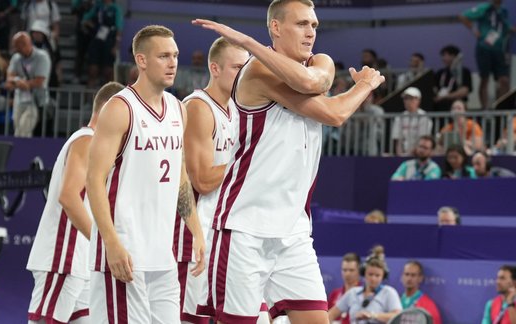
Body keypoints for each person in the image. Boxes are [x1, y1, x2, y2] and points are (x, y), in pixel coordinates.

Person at [192, 0, 385, 321]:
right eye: (301, 24)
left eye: (314, 25)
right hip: (243, 228)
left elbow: (317, 82)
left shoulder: (320, 61)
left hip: (293, 231)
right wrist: (365, 84)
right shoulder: (256, 70)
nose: (311, 32)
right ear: (276, 28)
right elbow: (333, 111)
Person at [86, 25, 206, 323]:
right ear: (141, 60)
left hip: (161, 255)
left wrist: (198, 231)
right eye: (163, 56)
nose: (173, 62)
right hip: (125, 251)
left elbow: (179, 177)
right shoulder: (120, 108)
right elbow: (93, 181)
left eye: (175, 55)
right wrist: (111, 242)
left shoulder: (179, 109)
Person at [26, 81, 124, 324]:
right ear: (109, 110)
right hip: (64, 256)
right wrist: (103, 243)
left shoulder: (95, 144)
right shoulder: (87, 140)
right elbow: (69, 197)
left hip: (78, 261)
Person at [174, 37, 250, 324]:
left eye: (245, 68)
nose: (242, 74)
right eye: (235, 68)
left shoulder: (238, 108)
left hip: (222, 227)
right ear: (214, 68)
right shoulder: (198, 107)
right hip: (191, 233)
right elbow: (203, 180)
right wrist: (248, 163)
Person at [459, 0, 515, 110]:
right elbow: (463, 16)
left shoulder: (504, 11)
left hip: (500, 50)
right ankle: (484, 108)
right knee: (485, 78)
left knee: (504, 80)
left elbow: (506, 27)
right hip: (484, 48)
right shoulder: (485, 8)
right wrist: (474, 30)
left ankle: (501, 107)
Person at [5, 32, 51, 138]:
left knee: (24, 129)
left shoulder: (42, 57)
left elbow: (40, 81)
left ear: (25, 44)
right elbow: (9, 78)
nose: (15, 48)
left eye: (16, 46)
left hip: (35, 101)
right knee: (17, 130)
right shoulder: (16, 58)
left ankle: (22, 153)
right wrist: (18, 81)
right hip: (19, 100)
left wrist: (21, 83)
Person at [328, 257, 401, 323]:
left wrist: (373, 315)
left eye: (377, 275)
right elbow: (331, 314)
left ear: (383, 276)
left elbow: (398, 316)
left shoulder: (389, 292)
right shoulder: (353, 292)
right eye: (370, 274)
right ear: (364, 274)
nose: (373, 278)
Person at [82, 0, 123, 87]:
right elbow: (85, 19)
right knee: (92, 71)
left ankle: (108, 98)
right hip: (96, 41)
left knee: (108, 72)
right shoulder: (97, 6)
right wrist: (93, 27)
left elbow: (119, 28)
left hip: (109, 42)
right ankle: (88, 99)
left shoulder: (115, 9)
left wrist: (116, 46)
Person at [391, 87, 433, 156]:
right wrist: (400, 156)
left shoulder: (424, 117)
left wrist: (413, 153)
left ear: (418, 100)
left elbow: (423, 139)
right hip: (404, 154)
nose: (407, 101)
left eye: (410, 98)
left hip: (420, 155)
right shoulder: (399, 118)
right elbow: (398, 141)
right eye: (405, 98)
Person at [432, 45, 472, 112]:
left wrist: (444, 97)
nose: (443, 58)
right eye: (442, 56)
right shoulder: (440, 73)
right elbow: (434, 89)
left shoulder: (464, 72)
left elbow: (464, 91)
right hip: (440, 107)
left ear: (453, 56)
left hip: (456, 105)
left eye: (445, 55)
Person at [328, 253, 361, 324]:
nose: (347, 274)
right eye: (344, 270)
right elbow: (327, 317)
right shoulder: (335, 293)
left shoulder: (364, 293)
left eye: (351, 270)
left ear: (359, 271)